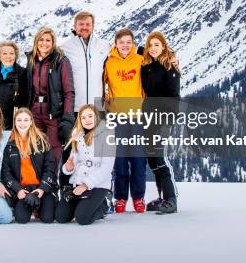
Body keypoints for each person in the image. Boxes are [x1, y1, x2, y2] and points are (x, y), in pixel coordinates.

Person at [60, 11, 111, 189]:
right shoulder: (66, 47)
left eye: (87, 24)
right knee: (72, 152)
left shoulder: (103, 45)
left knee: (100, 152)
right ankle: (67, 189)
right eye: (80, 24)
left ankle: (100, 192)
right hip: (75, 108)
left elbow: (123, 52)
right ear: (75, 26)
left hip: (97, 109)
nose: (84, 27)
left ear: (93, 26)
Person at [103, 28, 147, 213]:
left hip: (137, 116)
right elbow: (101, 83)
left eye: (129, 42)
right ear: (116, 43)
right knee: (119, 159)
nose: (125, 45)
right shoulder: (109, 62)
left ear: (133, 43)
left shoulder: (140, 60)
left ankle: (138, 197)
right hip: (116, 117)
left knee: (138, 159)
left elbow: (158, 67)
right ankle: (120, 198)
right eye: (122, 42)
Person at [141, 31, 180, 214]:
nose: (153, 48)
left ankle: (171, 199)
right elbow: (135, 49)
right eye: (151, 45)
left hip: (163, 117)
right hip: (148, 116)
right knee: (151, 159)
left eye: (157, 44)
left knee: (159, 157)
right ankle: (162, 197)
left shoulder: (169, 67)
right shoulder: (147, 64)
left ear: (164, 46)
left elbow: (174, 97)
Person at [55, 104, 115, 225]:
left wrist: (85, 185)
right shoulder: (77, 136)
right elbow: (73, 162)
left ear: (96, 117)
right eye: (83, 117)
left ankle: (103, 205)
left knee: (82, 218)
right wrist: (68, 168)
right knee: (61, 217)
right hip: (77, 182)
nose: (87, 120)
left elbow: (106, 168)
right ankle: (83, 203)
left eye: (90, 116)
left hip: (97, 184)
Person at [25, 27, 75, 166]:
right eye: (41, 39)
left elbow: (69, 92)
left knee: (53, 153)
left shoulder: (60, 61)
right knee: (35, 150)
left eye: (48, 40)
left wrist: (67, 119)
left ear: (53, 43)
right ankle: (37, 185)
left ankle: (51, 184)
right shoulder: (31, 60)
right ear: (36, 41)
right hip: (34, 112)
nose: (44, 43)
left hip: (53, 113)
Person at [1, 107, 57, 223]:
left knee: (48, 218)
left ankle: (40, 207)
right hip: (23, 189)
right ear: (15, 122)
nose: (22, 123)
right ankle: (30, 207)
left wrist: (41, 190)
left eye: (26, 120)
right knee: (21, 219)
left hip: (42, 188)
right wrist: (18, 190)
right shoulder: (9, 144)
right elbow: (6, 173)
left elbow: (50, 167)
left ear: (31, 121)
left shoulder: (42, 140)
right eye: (19, 120)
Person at [0, 41, 28, 130]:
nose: (8, 56)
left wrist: (21, 100)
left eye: (11, 53)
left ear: (15, 55)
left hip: (13, 121)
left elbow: (27, 96)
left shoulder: (22, 73)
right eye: (4, 53)